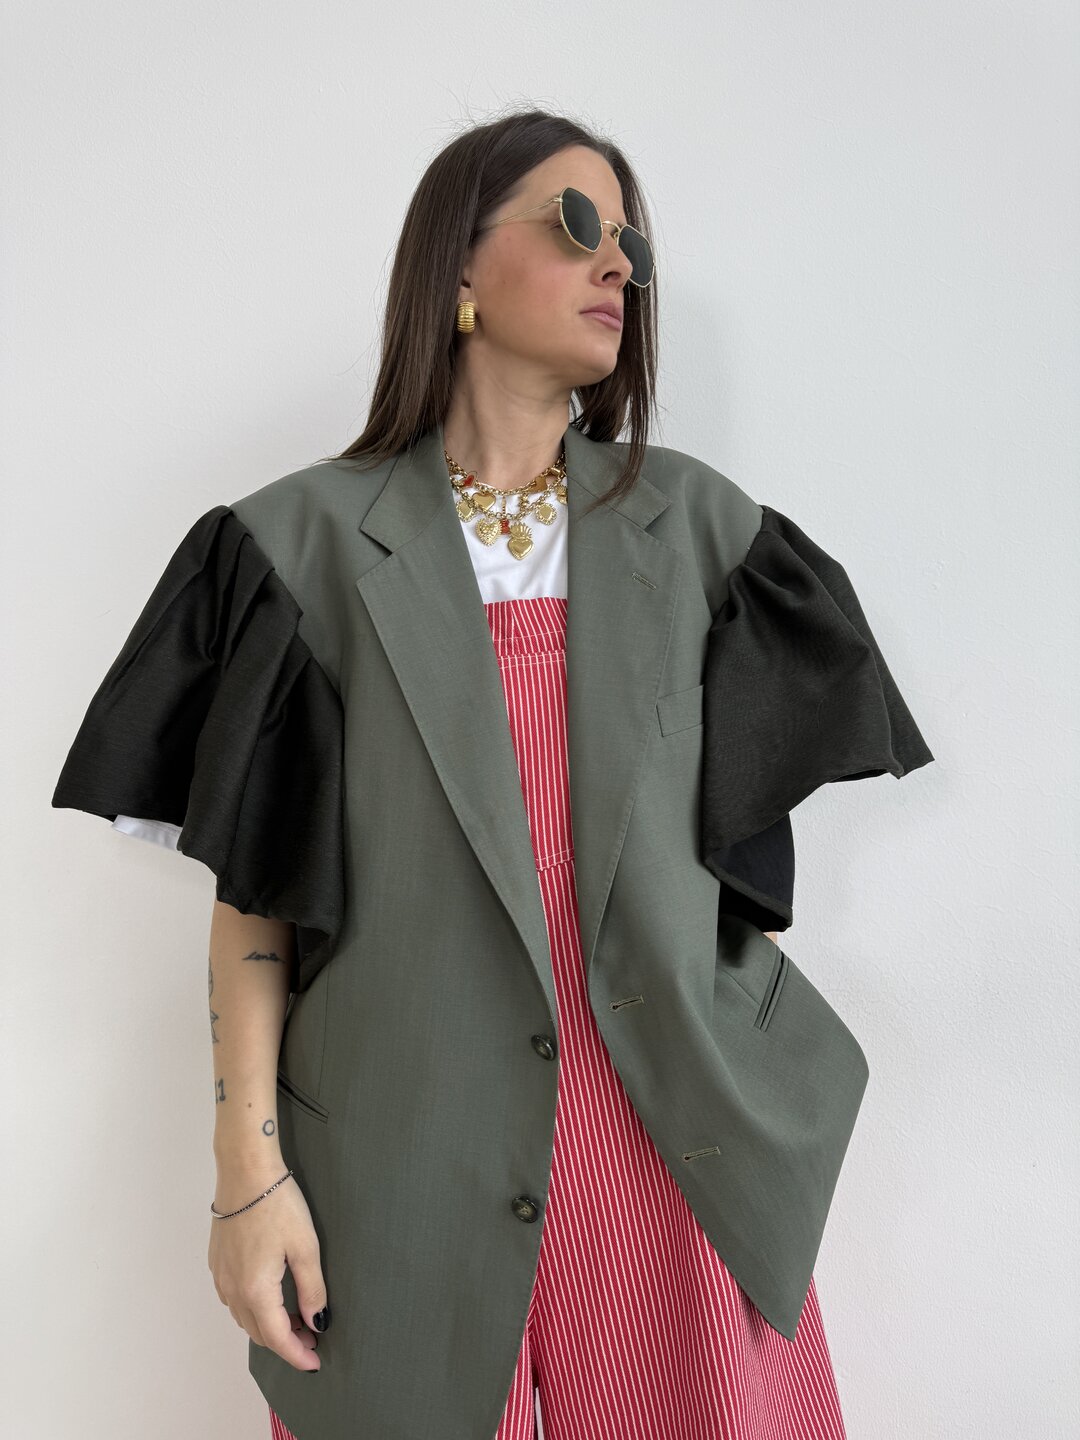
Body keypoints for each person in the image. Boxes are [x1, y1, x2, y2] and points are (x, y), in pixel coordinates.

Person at [52, 107, 934, 1440]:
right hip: (401, 1179)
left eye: (631, 240)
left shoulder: (707, 535)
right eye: (578, 224)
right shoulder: (294, 551)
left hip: (670, 1171)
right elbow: (257, 906)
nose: (619, 263)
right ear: (459, 264)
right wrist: (248, 1177)